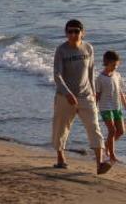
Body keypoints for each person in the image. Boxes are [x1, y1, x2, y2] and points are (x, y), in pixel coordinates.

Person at [52, 19, 110, 174]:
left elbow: (90, 71)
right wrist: (67, 93)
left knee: (94, 127)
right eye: (69, 31)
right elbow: (57, 74)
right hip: (65, 97)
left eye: (76, 31)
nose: (73, 34)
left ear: (82, 33)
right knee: (61, 128)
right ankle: (60, 157)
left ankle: (100, 163)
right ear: (66, 33)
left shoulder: (88, 48)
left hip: (86, 96)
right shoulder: (61, 50)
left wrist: (94, 92)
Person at [96, 50, 125, 163]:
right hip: (105, 108)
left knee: (121, 131)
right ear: (106, 62)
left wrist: (125, 104)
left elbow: (121, 92)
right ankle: (111, 155)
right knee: (112, 131)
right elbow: (97, 95)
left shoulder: (117, 75)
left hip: (117, 107)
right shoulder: (100, 78)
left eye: (117, 65)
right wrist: (94, 107)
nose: (115, 67)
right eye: (113, 65)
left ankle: (106, 146)